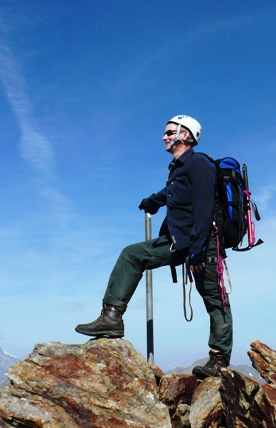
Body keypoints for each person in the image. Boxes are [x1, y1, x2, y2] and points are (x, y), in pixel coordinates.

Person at [75, 115, 232, 379]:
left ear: (186, 135)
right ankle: (111, 317)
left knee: (215, 300)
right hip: (178, 241)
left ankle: (219, 360)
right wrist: (153, 200)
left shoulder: (200, 164)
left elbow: (204, 208)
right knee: (132, 254)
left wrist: (197, 250)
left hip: (202, 243)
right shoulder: (178, 168)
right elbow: (173, 192)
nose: (164, 136)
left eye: (170, 132)